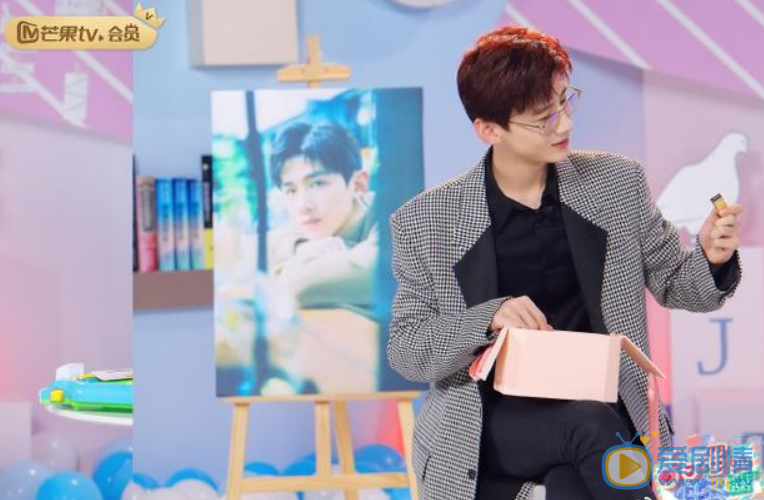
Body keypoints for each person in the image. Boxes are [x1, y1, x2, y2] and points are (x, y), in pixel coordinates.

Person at [387, 25, 743, 500]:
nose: (564, 125)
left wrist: (712, 259)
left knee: (574, 479)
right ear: (489, 129)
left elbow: (678, 285)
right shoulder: (428, 221)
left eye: (565, 101)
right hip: (489, 423)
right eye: (543, 118)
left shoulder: (617, 184)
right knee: (589, 425)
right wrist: (487, 318)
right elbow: (408, 349)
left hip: (604, 409)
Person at [268, 121, 378, 315]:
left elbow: (296, 286)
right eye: (291, 190)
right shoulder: (323, 222)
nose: (303, 206)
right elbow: (270, 241)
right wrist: (302, 248)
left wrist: (292, 266)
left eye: (318, 184)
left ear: (358, 184)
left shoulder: (397, 216)